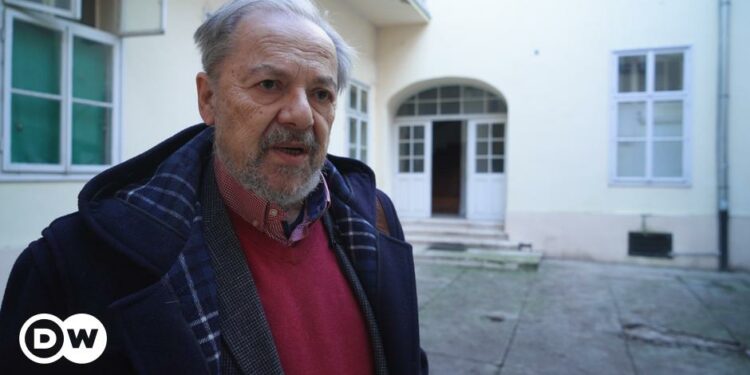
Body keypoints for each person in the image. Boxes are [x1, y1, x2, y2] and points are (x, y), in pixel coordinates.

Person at [0, 0, 427, 373]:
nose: (300, 114)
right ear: (209, 99)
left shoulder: (374, 221)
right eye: (269, 85)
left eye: (321, 93)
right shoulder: (75, 265)